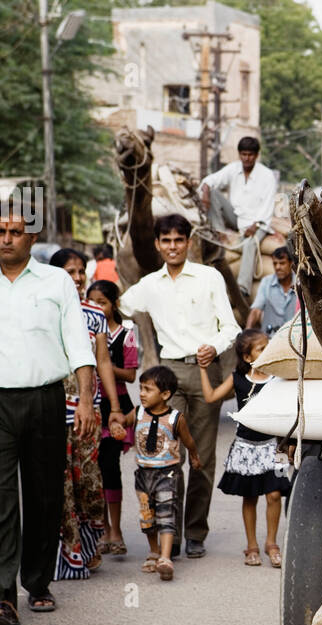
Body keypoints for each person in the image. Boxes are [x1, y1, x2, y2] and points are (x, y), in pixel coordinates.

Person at [118, 214, 240, 557]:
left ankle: (196, 533)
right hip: (168, 373)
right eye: (166, 241)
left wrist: (213, 346)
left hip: (205, 372)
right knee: (168, 457)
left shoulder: (209, 277)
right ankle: (168, 529)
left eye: (178, 240)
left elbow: (230, 327)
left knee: (200, 458)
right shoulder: (149, 284)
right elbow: (118, 305)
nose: (172, 246)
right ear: (157, 245)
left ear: (188, 243)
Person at [0, 210, 97, 625]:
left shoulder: (56, 281)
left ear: (31, 237)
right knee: (2, 500)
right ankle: (4, 595)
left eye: (15, 232)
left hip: (45, 400)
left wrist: (89, 402)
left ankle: (38, 581)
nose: (6, 239)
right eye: (1, 231)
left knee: (43, 496)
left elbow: (77, 341)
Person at [50, 249, 126, 581]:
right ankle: (63, 553)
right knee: (57, 485)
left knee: (89, 483)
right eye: (70, 271)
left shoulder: (94, 313)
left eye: (81, 271)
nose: (78, 278)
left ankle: (91, 545)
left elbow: (103, 362)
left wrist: (115, 409)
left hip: (88, 412)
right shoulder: (45, 310)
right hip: (50, 410)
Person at [199, 329, 291, 567]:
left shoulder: (279, 377)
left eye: (268, 346)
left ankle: (272, 544)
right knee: (249, 497)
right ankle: (251, 546)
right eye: (261, 349)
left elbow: (290, 409)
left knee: (274, 494)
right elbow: (211, 397)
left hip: (276, 446)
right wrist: (202, 369)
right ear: (248, 357)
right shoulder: (239, 378)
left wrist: (290, 443)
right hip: (246, 447)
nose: (267, 350)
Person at [117, 366, 200, 582]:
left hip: (167, 474)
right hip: (143, 475)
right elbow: (121, 423)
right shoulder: (137, 413)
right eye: (141, 388)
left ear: (165, 395)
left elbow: (188, 440)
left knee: (166, 514)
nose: (142, 393)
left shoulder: (175, 418)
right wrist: (117, 427)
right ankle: (153, 551)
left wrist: (194, 455)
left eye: (147, 389)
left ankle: (165, 558)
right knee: (147, 517)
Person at [86, 280, 139, 554]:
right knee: (92, 470)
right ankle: (101, 528)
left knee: (110, 467)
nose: (97, 307)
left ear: (114, 304)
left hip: (115, 406)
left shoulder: (126, 334)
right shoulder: (83, 330)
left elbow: (130, 374)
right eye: (92, 302)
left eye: (103, 302)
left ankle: (115, 529)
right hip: (90, 405)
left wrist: (99, 362)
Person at [199, 136, 277, 297]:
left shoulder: (267, 175)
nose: (246, 158)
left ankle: (243, 287)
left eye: (250, 155)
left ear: (256, 155)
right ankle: (219, 234)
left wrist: (255, 226)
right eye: (243, 154)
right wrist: (205, 190)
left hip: (258, 223)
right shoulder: (233, 169)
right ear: (239, 154)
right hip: (236, 218)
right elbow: (211, 180)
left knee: (249, 245)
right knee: (212, 191)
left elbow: (268, 207)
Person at [246, 245, 298, 335]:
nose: (277, 267)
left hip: (294, 338)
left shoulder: (299, 283)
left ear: (291, 264)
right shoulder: (267, 282)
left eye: (282, 263)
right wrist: (247, 331)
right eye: (275, 263)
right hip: (270, 338)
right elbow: (256, 310)